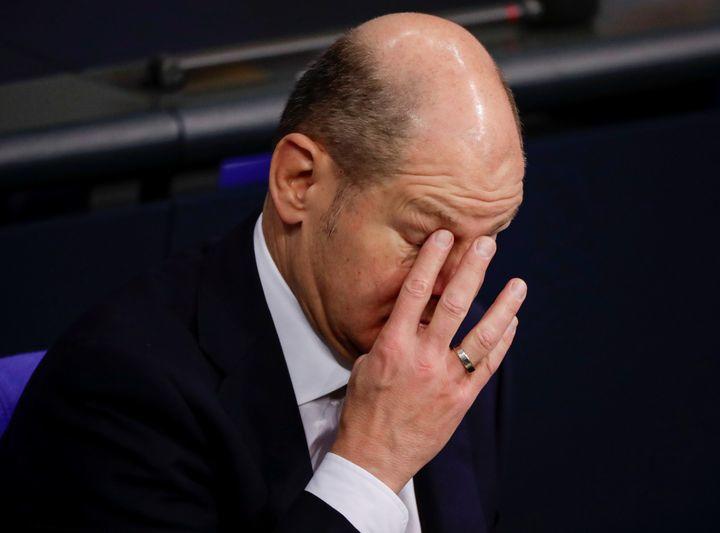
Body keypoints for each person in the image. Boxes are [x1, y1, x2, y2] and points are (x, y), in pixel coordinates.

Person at [0, 12, 526, 532]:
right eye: (423, 238)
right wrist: (372, 465)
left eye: (488, 239)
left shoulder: (455, 350)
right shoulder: (122, 392)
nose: (455, 286)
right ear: (299, 181)